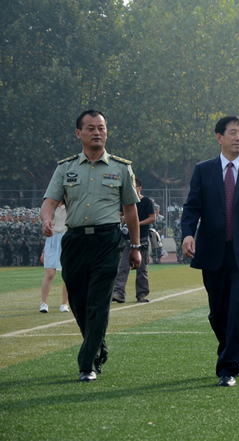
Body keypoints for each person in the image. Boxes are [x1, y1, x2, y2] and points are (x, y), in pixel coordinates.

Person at [40, 110, 141, 382]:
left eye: (101, 128)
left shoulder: (121, 168)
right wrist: (47, 220)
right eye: (91, 128)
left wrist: (135, 246)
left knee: (98, 301)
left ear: (107, 132)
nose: (97, 132)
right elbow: (50, 202)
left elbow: (130, 210)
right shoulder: (65, 168)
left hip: (107, 241)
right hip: (74, 241)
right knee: (78, 301)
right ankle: (98, 345)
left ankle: (87, 364)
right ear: (79, 133)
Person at [181, 116, 239, 387]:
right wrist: (187, 234)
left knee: (237, 308)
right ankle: (228, 349)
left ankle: (228, 368)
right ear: (219, 137)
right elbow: (192, 207)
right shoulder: (203, 170)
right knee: (217, 313)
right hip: (212, 251)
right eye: (233, 132)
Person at [113, 178, 155, 303]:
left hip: (142, 238)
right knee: (123, 266)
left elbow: (152, 218)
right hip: (126, 238)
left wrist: (136, 224)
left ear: (139, 188)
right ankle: (118, 293)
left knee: (142, 268)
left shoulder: (146, 201)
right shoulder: (125, 201)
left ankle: (142, 294)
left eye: (134, 186)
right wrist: (122, 218)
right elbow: (119, 214)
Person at [40, 199, 69, 314]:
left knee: (67, 275)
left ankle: (64, 304)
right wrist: (44, 248)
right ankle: (44, 303)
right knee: (50, 274)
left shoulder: (70, 205)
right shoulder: (49, 206)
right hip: (52, 238)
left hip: (66, 238)